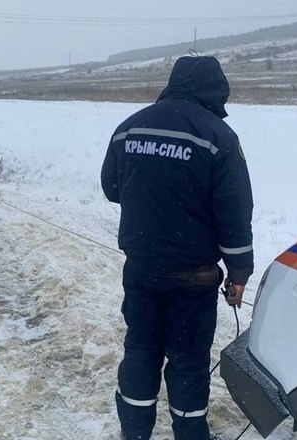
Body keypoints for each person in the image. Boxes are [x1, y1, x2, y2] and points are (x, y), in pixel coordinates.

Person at [101, 55, 254, 440]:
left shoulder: (129, 127)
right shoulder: (218, 137)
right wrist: (239, 272)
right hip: (193, 277)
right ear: (214, 90)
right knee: (187, 362)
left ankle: (134, 432)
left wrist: (151, 200)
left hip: (141, 269)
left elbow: (112, 188)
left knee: (141, 351)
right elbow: (234, 213)